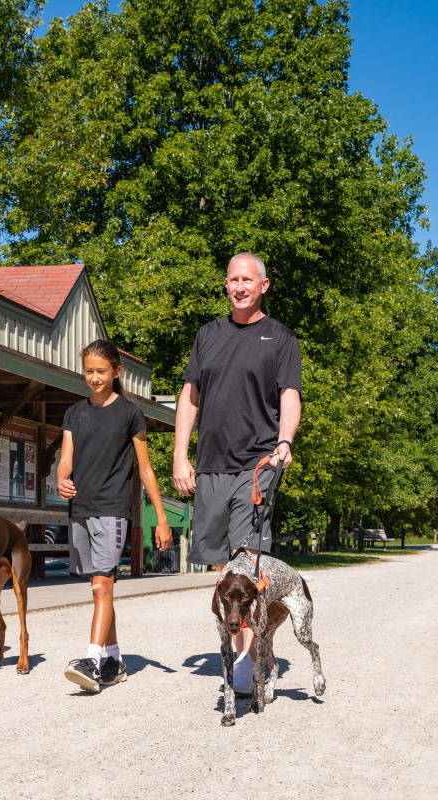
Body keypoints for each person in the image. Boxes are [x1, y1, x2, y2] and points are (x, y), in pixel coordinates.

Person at [173, 252, 302, 695]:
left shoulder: (280, 338)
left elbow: (290, 395)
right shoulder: (207, 335)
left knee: (246, 562)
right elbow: (189, 397)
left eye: (249, 280)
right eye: (233, 279)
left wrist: (284, 441)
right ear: (226, 285)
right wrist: (179, 455)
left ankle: (247, 662)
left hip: (257, 466)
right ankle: (256, 635)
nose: (240, 286)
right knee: (220, 565)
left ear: (263, 286)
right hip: (211, 466)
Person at [58, 339, 173, 693]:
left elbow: (146, 469)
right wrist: (61, 479)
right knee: (100, 587)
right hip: (80, 508)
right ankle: (115, 659)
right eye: (89, 371)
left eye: (101, 372)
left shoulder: (129, 413)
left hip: (112, 509)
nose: (94, 378)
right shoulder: (74, 413)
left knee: (100, 585)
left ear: (116, 372)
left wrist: (162, 516)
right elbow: (66, 458)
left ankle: (92, 659)